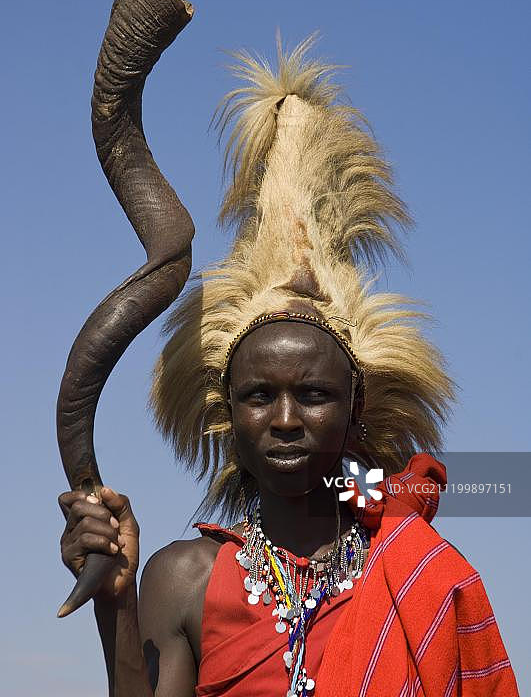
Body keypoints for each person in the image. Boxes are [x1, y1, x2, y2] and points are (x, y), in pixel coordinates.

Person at [59, 39, 519, 696]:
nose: (283, 420)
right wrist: (117, 607)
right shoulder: (185, 577)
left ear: (355, 407)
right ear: (226, 410)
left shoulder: (421, 576)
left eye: (313, 394)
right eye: (257, 395)